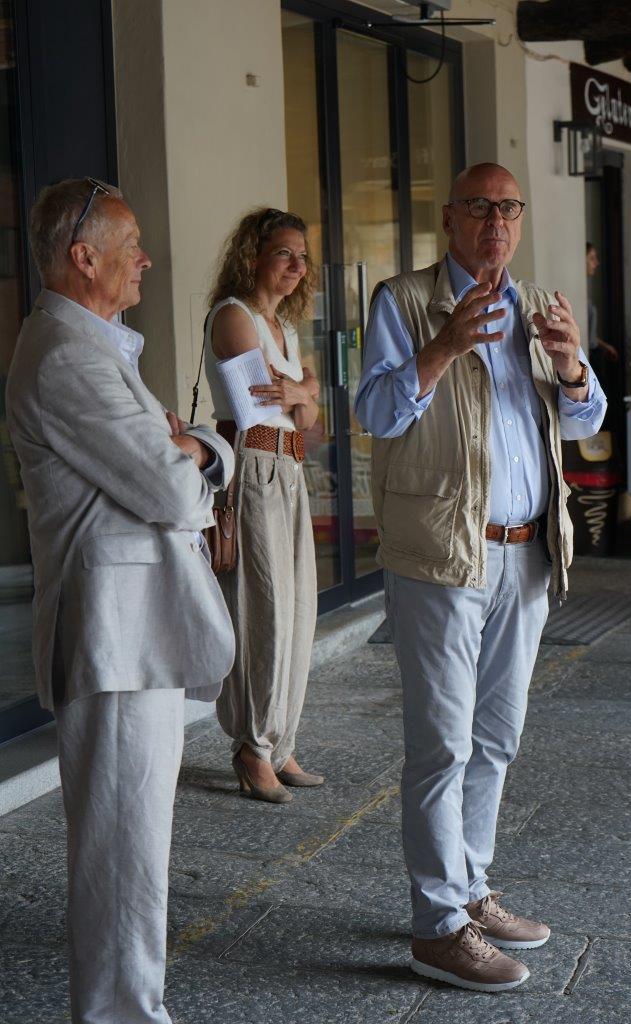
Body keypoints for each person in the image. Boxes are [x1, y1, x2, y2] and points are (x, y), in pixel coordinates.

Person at [355, 163, 606, 993]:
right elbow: (375, 413)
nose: (496, 222)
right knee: (442, 744)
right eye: (479, 207)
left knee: (496, 736)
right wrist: (443, 348)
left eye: (508, 208)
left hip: (527, 552)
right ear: (451, 219)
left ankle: (469, 889)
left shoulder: (536, 306)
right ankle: (437, 928)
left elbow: (589, 420)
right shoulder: (403, 302)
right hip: (441, 554)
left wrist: (571, 366)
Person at [6, 178, 235, 1024]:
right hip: (115, 641)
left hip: (135, 635)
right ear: (83, 257)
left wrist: (185, 446)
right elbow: (171, 490)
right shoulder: (67, 357)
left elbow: (165, 468)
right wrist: (204, 450)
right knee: (121, 860)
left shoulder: (90, 347)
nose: (146, 260)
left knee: (134, 854)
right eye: (131, 245)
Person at [204, 207, 322, 804]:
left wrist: (302, 392)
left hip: (291, 469)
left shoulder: (284, 329)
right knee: (264, 611)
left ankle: (280, 740)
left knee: (300, 611)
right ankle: (252, 748)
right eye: (284, 253)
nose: (297, 265)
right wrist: (305, 391)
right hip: (252, 467)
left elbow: (311, 417)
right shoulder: (234, 316)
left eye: (302, 256)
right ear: (253, 255)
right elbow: (257, 405)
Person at [586, 241, 619, 370]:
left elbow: (591, 335)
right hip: (587, 356)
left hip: (595, 353)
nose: (597, 263)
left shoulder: (586, 291)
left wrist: (605, 346)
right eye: (592, 258)